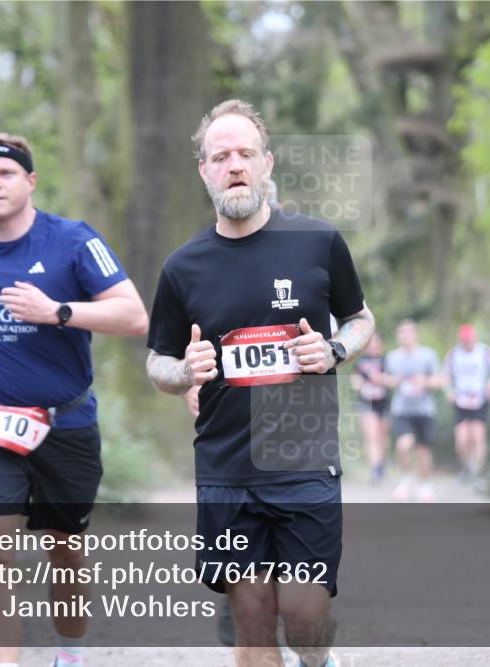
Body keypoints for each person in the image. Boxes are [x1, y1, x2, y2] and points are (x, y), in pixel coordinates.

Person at [145, 99, 375, 667]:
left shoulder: (318, 242)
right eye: (220, 156)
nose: (235, 165)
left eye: (246, 153)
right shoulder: (182, 268)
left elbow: (362, 319)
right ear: (204, 171)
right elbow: (157, 362)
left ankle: (319, 657)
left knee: (304, 616)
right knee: (251, 624)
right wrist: (184, 372)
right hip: (226, 468)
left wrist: (334, 349)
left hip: (304, 463)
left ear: (267, 163)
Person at [0, 133, 148, 667]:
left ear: (30, 182)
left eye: (5, 174)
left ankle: (69, 654)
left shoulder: (73, 240)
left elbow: (134, 315)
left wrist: (58, 312)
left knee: (65, 548)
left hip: (64, 422)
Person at [382, 320, 441, 502]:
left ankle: (425, 485)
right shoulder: (392, 357)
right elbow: (386, 379)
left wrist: (425, 381)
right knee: (403, 445)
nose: (404, 336)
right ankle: (407, 479)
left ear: (415, 334)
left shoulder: (428, 355)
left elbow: (440, 380)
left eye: (407, 333)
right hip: (402, 409)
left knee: (423, 450)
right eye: (401, 333)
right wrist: (394, 381)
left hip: (424, 410)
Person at [442, 323, 490, 479]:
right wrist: (448, 391)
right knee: (462, 440)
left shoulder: (484, 351)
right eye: (465, 340)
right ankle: (467, 467)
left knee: (478, 437)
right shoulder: (453, 354)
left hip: (479, 400)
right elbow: (444, 376)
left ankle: (478, 471)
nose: (467, 343)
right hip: (461, 401)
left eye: (469, 340)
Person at [350, 334, 390, 483]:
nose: (373, 346)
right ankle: (375, 469)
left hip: (384, 403)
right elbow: (355, 379)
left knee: (383, 437)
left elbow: (393, 379)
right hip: (367, 403)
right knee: (371, 436)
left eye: (376, 343)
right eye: (370, 344)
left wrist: (382, 379)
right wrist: (358, 384)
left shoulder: (387, 360)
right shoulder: (361, 362)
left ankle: (381, 464)